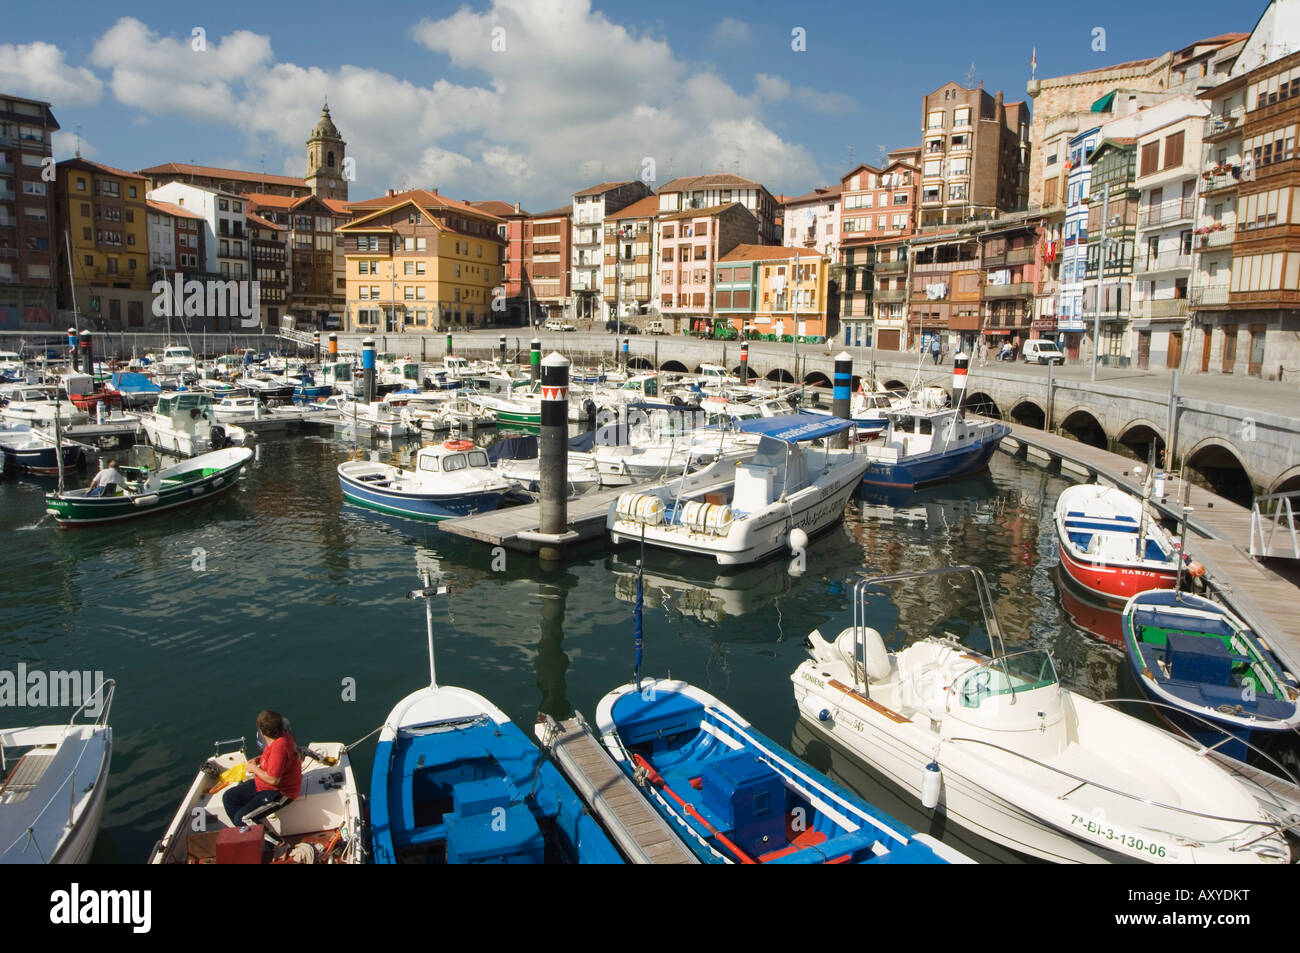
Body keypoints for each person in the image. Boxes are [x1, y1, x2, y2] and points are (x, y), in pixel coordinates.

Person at [222, 710, 302, 835]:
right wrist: (259, 759)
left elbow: (273, 780)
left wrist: (253, 768)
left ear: (261, 731)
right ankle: (250, 837)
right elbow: (277, 760)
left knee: (242, 818)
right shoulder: (282, 738)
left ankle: (276, 845)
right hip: (263, 786)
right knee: (229, 797)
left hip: (280, 792)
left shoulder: (278, 748)